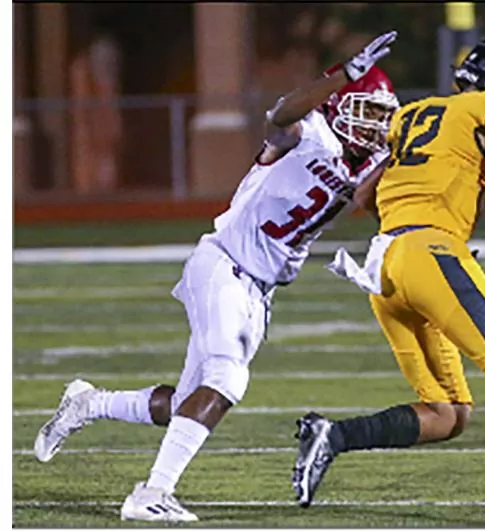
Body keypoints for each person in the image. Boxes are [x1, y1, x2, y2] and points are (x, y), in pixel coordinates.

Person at [32, 31, 400, 522]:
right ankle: (151, 493)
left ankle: (88, 404)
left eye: (381, 116)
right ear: (341, 105)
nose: (375, 125)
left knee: (185, 403)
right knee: (226, 378)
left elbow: (374, 201)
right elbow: (280, 115)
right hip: (224, 264)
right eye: (368, 111)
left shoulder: (366, 164)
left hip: (259, 291)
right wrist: (342, 75)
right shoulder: (308, 132)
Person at [290, 37, 485, 527]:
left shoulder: (415, 113)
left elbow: (365, 196)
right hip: (431, 254)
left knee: (448, 413)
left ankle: (333, 436)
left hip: (384, 265)